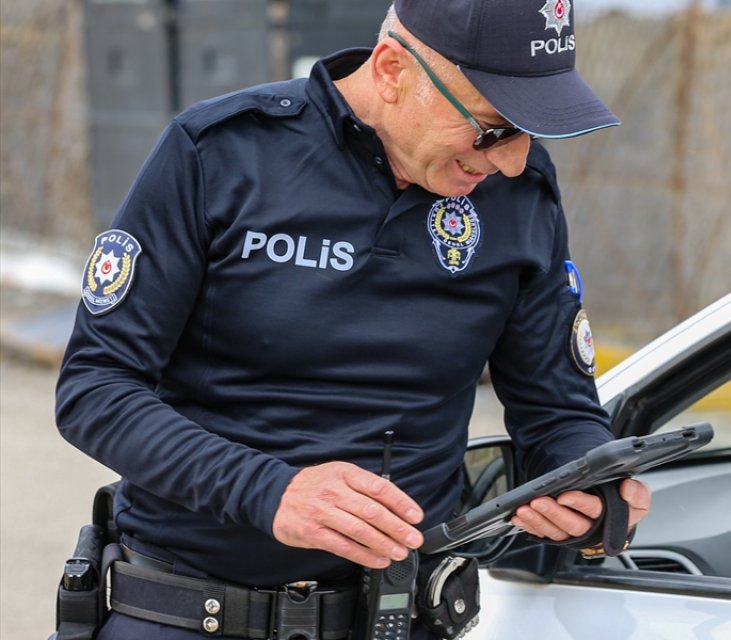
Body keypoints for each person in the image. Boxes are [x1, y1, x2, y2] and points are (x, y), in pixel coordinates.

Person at [55, 1, 650, 638]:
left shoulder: (520, 192)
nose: (510, 159)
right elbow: (95, 389)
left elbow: (557, 411)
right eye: (491, 128)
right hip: (188, 611)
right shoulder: (222, 152)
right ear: (393, 70)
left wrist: (592, 486)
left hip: (398, 615)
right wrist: (268, 490)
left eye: (534, 130)